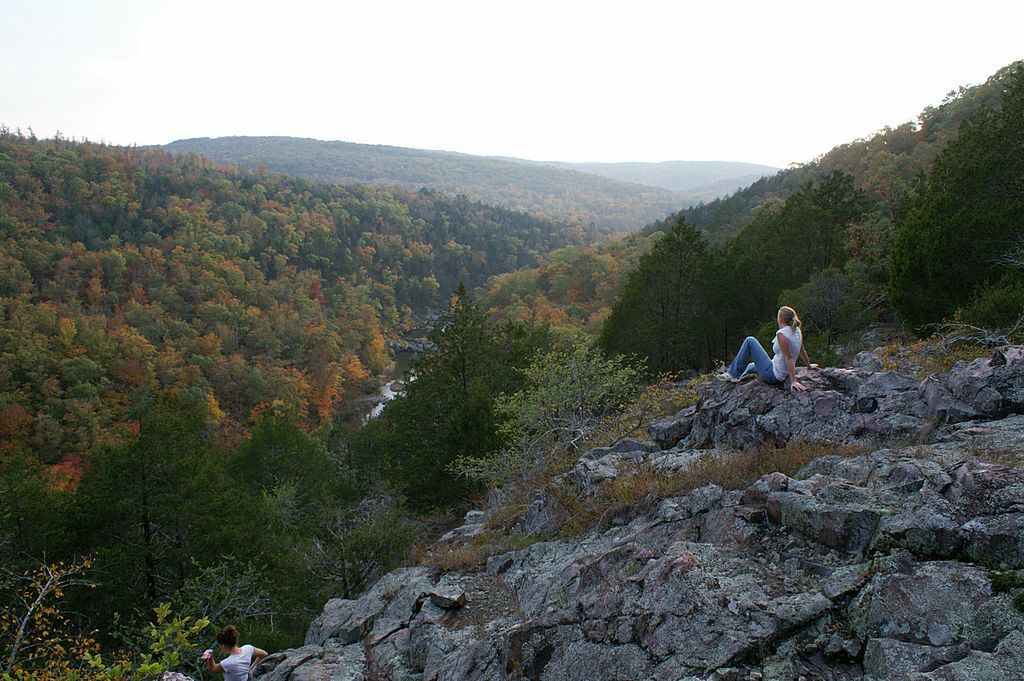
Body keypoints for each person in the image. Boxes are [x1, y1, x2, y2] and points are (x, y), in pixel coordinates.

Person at [718, 306, 817, 391]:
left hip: (774, 375)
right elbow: (802, 350)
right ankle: (739, 375)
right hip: (776, 367)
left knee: (750, 341)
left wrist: (794, 381)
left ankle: (732, 375)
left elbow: (789, 358)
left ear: (780, 319)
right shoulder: (797, 330)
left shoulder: (782, 334)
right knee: (750, 366)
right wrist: (808, 366)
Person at [201, 625, 268, 681]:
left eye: (220, 646)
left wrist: (210, 656)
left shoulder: (227, 663)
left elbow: (212, 668)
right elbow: (264, 654)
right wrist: (250, 669)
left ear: (223, 645)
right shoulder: (248, 649)